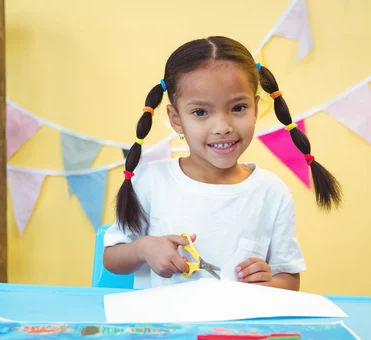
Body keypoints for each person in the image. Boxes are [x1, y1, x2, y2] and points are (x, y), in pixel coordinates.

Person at [103, 36, 342, 291]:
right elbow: (112, 259)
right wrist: (143, 248)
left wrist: (269, 281)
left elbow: (290, 280)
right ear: (175, 119)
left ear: (255, 108)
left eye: (238, 107)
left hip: (238, 331)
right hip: (164, 329)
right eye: (200, 112)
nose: (222, 128)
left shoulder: (272, 192)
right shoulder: (150, 181)